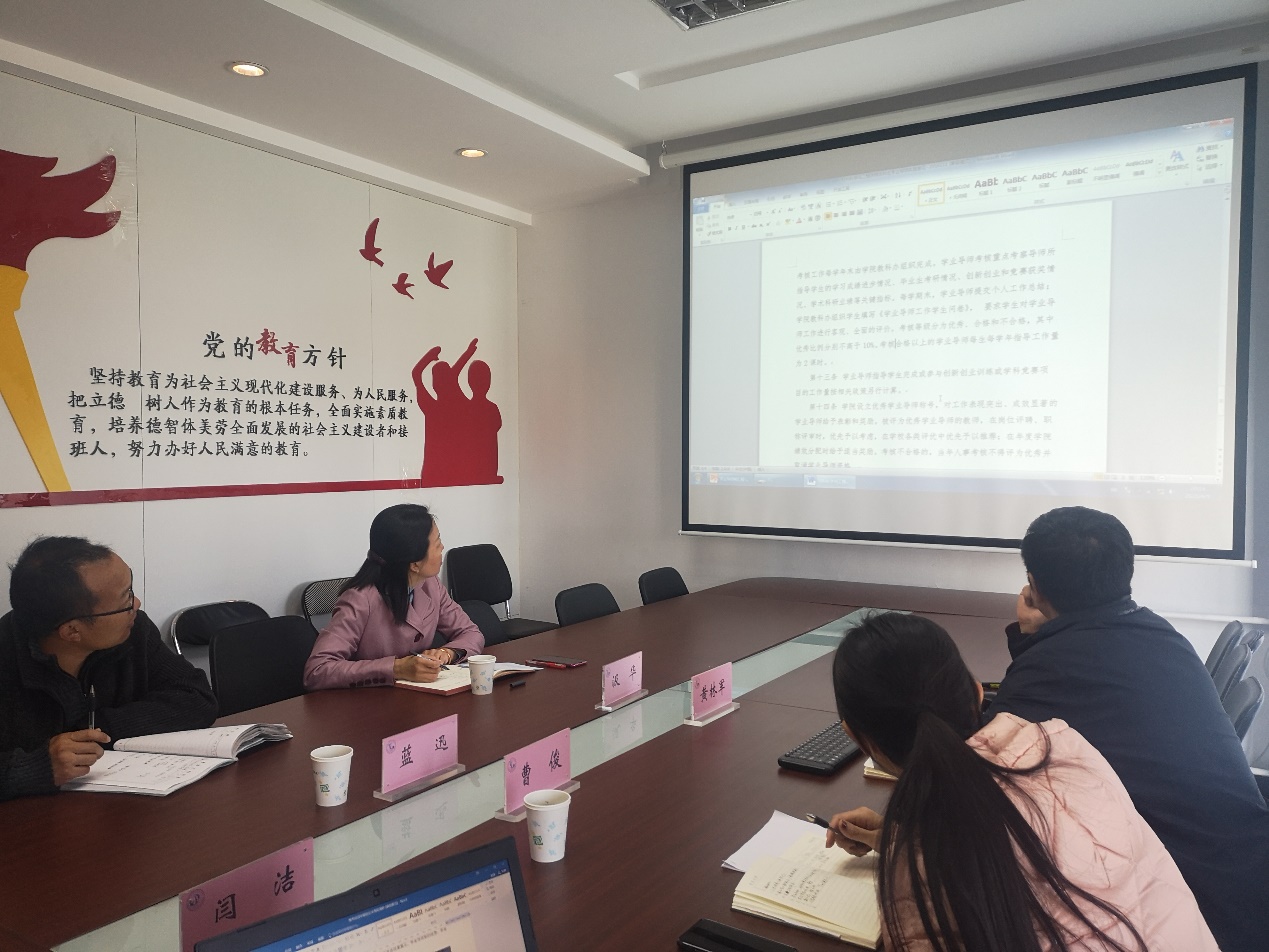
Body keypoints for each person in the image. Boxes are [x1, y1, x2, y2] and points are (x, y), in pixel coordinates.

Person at [825, 612, 1216, 952]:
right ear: (977, 691)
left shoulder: (915, 872)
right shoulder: (1060, 744)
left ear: (857, 737)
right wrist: (896, 839)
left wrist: (909, 847)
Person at [988, 506, 1269, 952]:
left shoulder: (1048, 672)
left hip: (1196, 916)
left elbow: (987, 762)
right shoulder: (1161, 635)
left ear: (1034, 586)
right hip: (1247, 878)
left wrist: (1028, 640)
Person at [0, 536, 217, 801]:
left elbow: (197, 698)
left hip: (128, 806)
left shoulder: (133, 631)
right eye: (125, 599)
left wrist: (99, 730)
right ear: (72, 631)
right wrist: (33, 769)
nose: (136, 604)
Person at [303, 504, 484, 690]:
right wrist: (396, 668)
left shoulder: (431, 585)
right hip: (370, 702)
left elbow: (471, 633)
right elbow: (317, 670)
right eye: (437, 543)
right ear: (415, 564)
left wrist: (448, 652)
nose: (442, 547)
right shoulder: (359, 600)